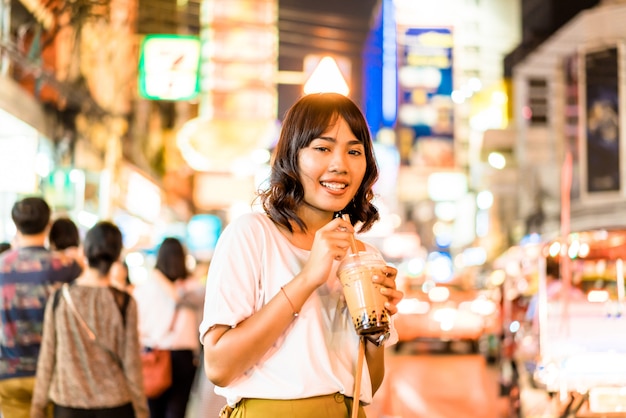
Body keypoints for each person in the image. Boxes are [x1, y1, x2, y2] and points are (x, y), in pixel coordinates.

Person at [199, 92, 404, 418]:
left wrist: (375, 326)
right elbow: (219, 365)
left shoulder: (364, 257)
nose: (340, 165)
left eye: (354, 151)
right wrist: (309, 277)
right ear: (292, 155)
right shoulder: (252, 235)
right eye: (322, 148)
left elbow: (367, 384)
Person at [31, 221, 148, 418]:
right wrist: (142, 411)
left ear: (84, 251)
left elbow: (47, 357)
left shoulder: (60, 298)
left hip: (68, 404)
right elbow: (132, 364)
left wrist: (38, 406)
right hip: (115, 405)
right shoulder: (125, 303)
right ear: (118, 256)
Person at [0, 196, 82, 418]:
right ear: (48, 225)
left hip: (9, 373)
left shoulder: (2, 265)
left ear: (16, 225)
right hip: (54, 374)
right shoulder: (67, 267)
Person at [133, 237, 205, 418]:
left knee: (153, 411)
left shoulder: (146, 288)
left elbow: (137, 327)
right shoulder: (194, 288)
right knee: (177, 411)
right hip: (184, 357)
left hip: (153, 355)